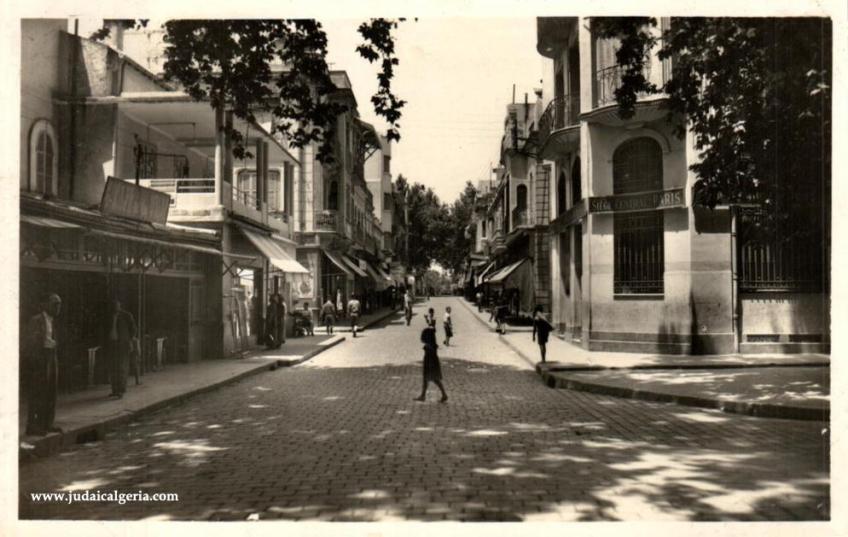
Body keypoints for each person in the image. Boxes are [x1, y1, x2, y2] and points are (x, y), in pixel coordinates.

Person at [25, 294, 62, 436]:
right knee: (38, 392)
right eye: (55, 304)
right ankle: (33, 425)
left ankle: (47, 423)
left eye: (59, 304)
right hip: (40, 358)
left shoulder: (55, 322)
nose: (58, 307)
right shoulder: (36, 320)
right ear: (46, 305)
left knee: (51, 390)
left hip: (52, 357)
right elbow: (31, 341)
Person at [108, 299, 137, 399]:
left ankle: (121, 390)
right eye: (113, 306)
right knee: (113, 368)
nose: (115, 307)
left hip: (123, 345)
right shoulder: (109, 316)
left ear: (120, 305)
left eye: (117, 305)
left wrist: (130, 341)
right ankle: (114, 389)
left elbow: (133, 329)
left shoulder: (126, 316)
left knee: (122, 367)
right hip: (112, 344)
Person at [414, 324, 448, 403]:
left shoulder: (429, 346)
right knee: (430, 380)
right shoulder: (432, 344)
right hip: (432, 363)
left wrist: (429, 365)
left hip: (430, 363)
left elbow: (430, 355)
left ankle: (443, 394)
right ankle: (423, 395)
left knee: (433, 379)